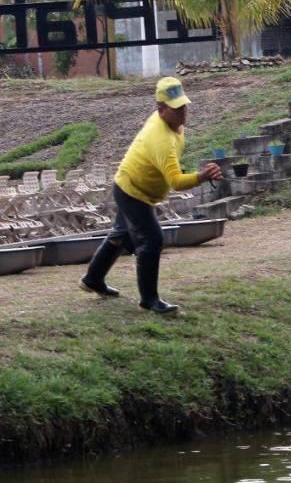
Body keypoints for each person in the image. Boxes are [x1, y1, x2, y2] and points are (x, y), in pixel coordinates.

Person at [79, 77, 221, 315]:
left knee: (120, 234)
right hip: (132, 192)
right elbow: (176, 182)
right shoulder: (161, 139)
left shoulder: (173, 124)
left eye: (184, 105)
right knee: (152, 240)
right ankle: (149, 300)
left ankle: (92, 279)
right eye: (176, 109)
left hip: (131, 185)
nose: (183, 112)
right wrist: (202, 176)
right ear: (161, 109)